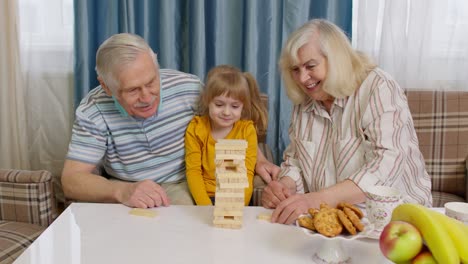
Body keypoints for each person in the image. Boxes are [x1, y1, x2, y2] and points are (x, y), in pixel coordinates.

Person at [259, 19, 432, 224]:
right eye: (295, 69)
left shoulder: (378, 86)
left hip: (397, 218)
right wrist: (285, 187)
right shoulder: (305, 102)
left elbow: (385, 166)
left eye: (310, 66)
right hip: (331, 219)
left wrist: (316, 199)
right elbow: (296, 160)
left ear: (336, 59)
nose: (303, 78)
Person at [61, 33, 203, 208]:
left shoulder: (189, 88)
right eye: (133, 90)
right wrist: (123, 191)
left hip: (180, 181)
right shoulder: (92, 111)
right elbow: (71, 181)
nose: (147, 97)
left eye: (151, 82)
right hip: (125, 185)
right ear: (106, 86)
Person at [185, 65, 268, 206]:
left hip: (235, 199)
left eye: (235, 106)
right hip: (204, 199)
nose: (227, 112)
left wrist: (237, 206)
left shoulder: (247, 131)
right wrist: (205, 207)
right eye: (219, 104)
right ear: (207, 101)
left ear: (243, 107)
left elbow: (247, 173)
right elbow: (193, 172)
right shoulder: (196, 128)